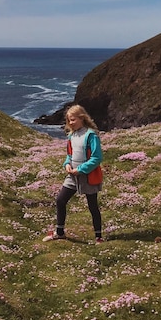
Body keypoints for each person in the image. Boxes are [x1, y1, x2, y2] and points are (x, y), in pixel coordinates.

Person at [43, 104, 104, 244]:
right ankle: (59, 233)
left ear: (82, 118)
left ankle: (98, 237)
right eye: (69, 120)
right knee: (60, 200)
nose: (70, 123)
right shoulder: (71, 135)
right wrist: (67, 165)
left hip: (88, 175)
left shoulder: (91, 135)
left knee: (92, 206)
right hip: (72, 175)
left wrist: (81, 169)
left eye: (73, 120)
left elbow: (97, 157)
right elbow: (69, 155)